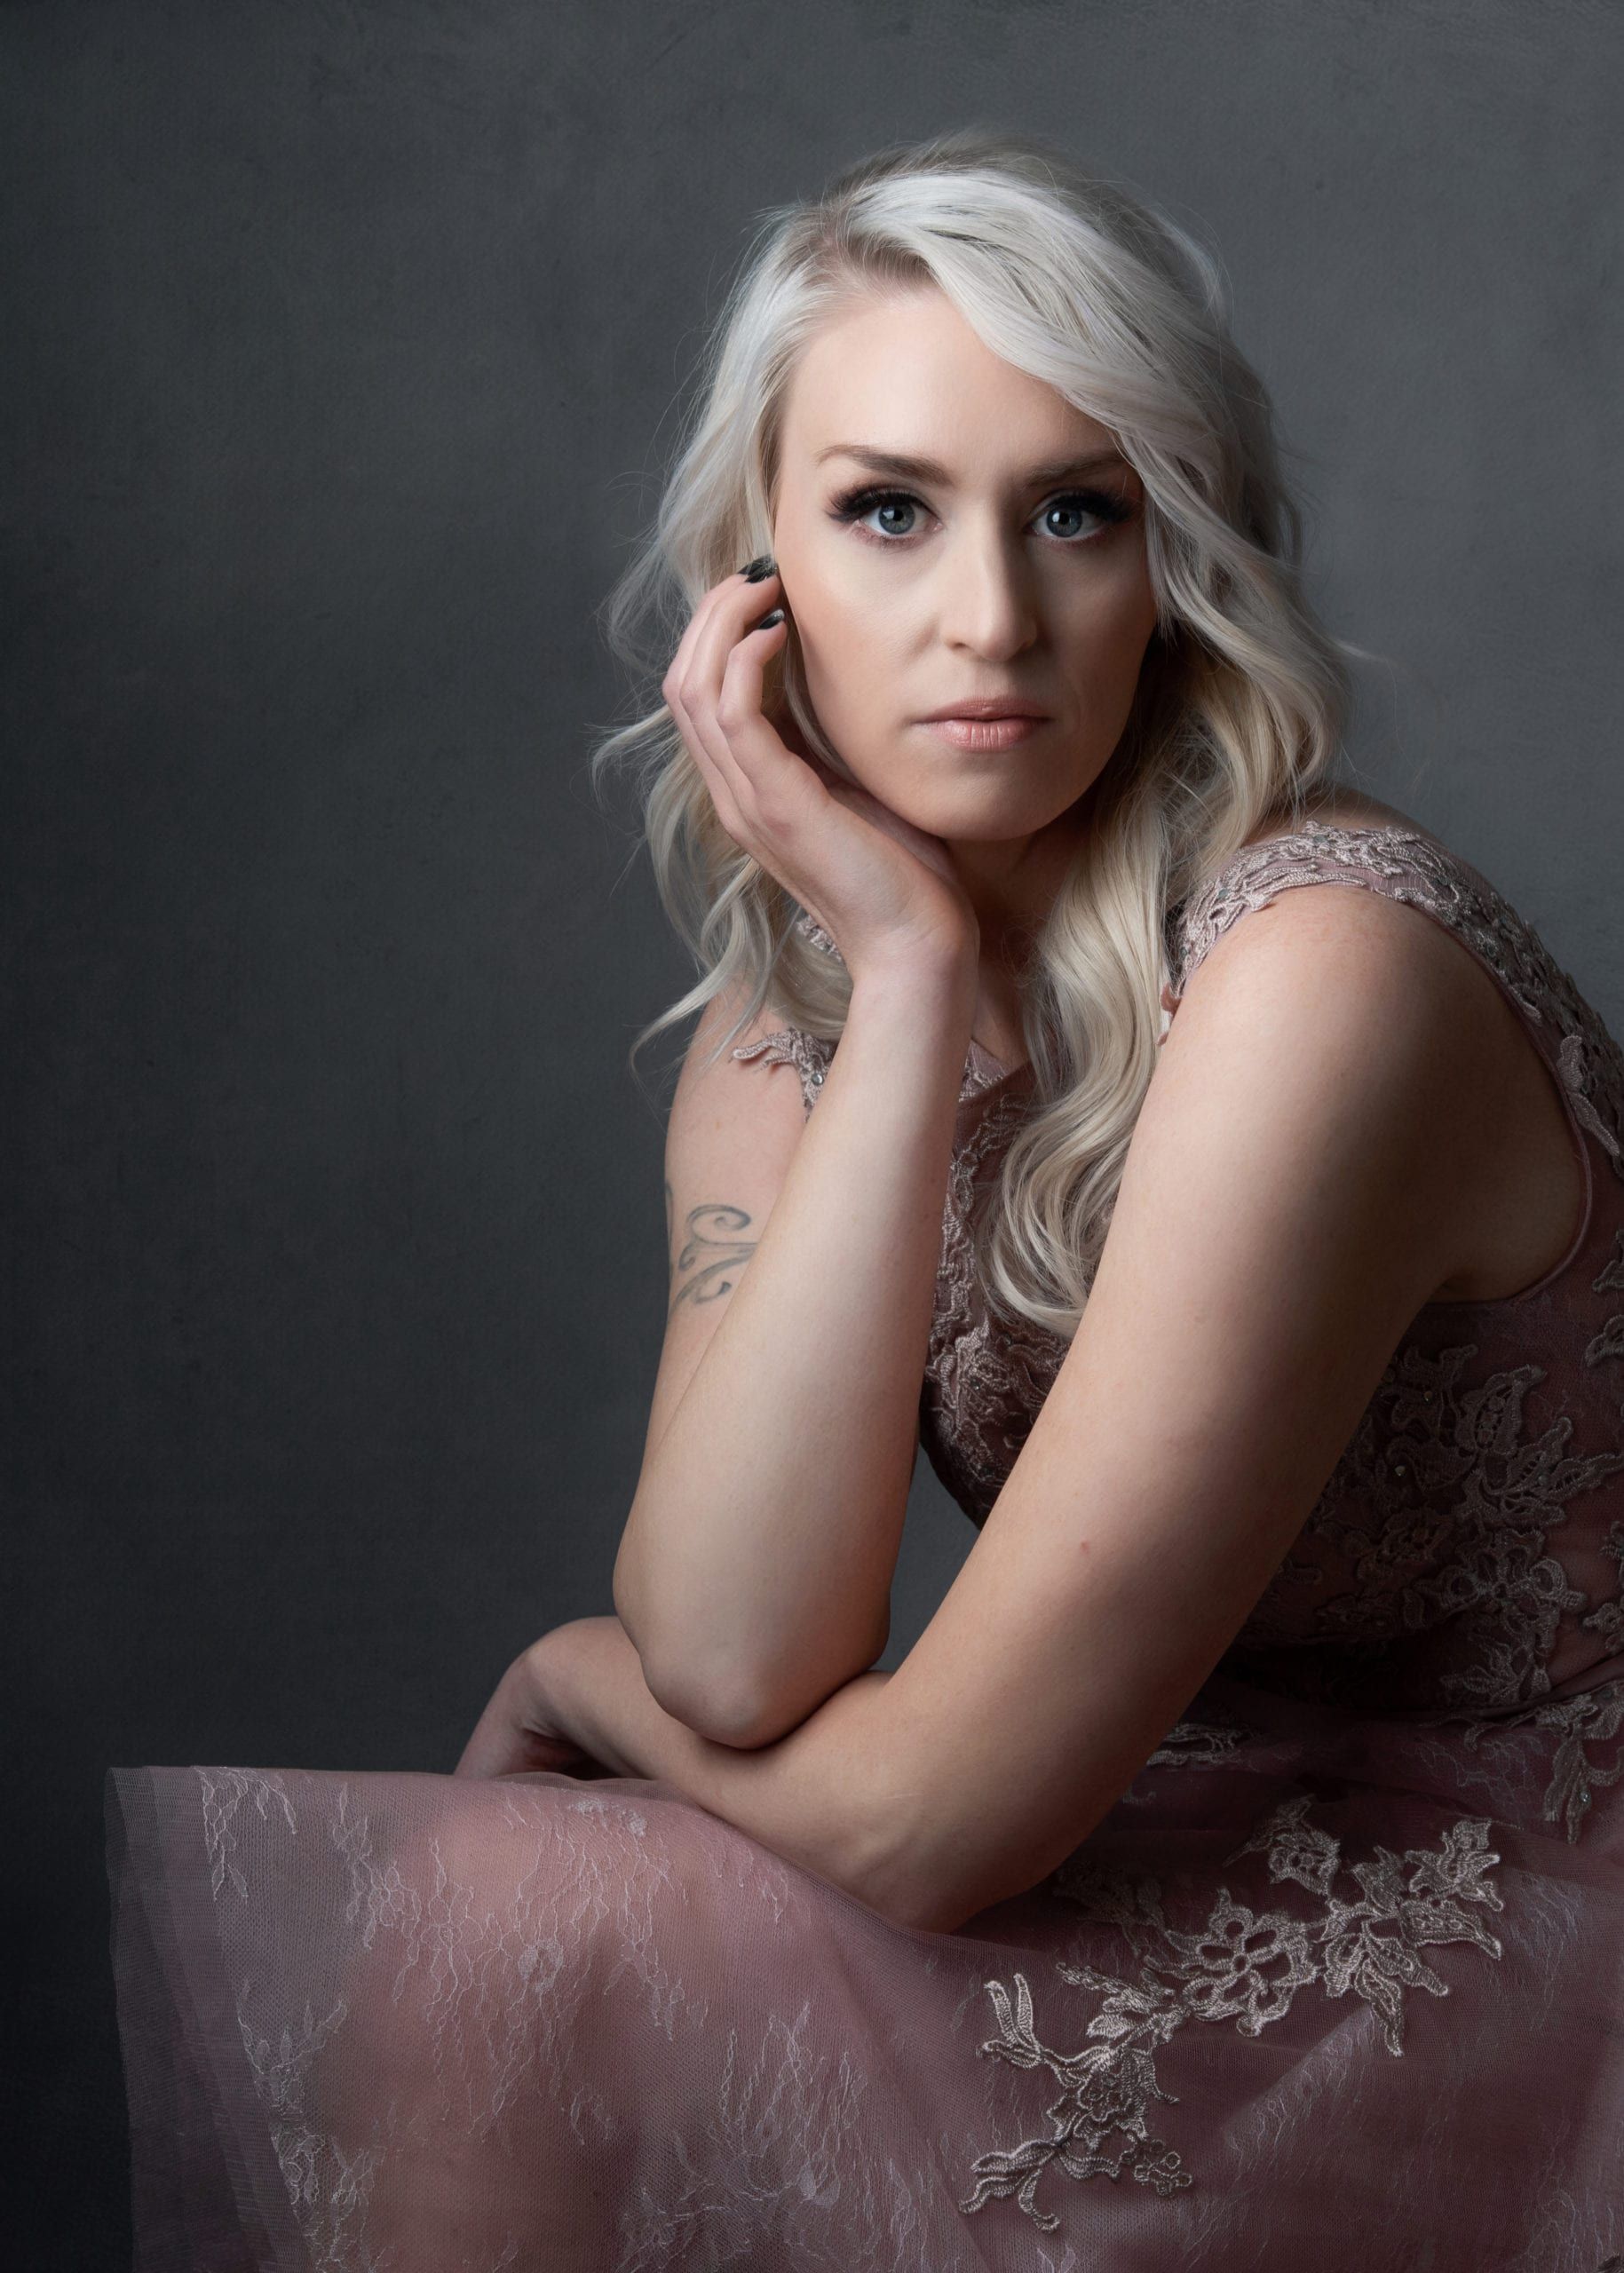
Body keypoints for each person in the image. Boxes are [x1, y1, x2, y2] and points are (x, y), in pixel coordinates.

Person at [104, 129, 1624, 2270]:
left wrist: (573, 1672)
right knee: (491, 1926)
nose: (988, 617)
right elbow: (740, 1654)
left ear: (1174, 561)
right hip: (1214, 1845)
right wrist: (905, 978)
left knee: (516, 1921)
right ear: (759, 576)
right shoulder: (795, 1015)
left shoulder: (1322, 977)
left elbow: (930, 1813)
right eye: (887, 511)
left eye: (1076, 512)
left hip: (1555, 1931)